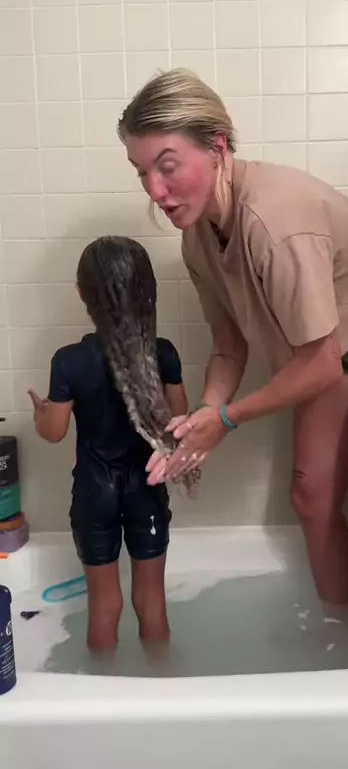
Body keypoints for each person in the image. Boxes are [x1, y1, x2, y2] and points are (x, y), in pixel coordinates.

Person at [119, 69, 348, 667]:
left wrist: (227, 418)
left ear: (217, 145)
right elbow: (229, 346)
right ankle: (337, 636)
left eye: (167, 165)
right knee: (311, 497)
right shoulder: (198, 237)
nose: (156, 189)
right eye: (141, 171)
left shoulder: (275, 221)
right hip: (333, 346)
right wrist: (202, 417)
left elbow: (319, 366)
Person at [28, 236, 189, 653]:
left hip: (93, 491)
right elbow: (179, 425)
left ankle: (101, 684)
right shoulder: (162, 354)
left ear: (82, 293)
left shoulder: (68, 361)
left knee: (103, 604)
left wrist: (41, 414)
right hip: (146, 488)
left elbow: (53, 431)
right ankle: (160, 680)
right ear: (147, 292)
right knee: (151, 600)